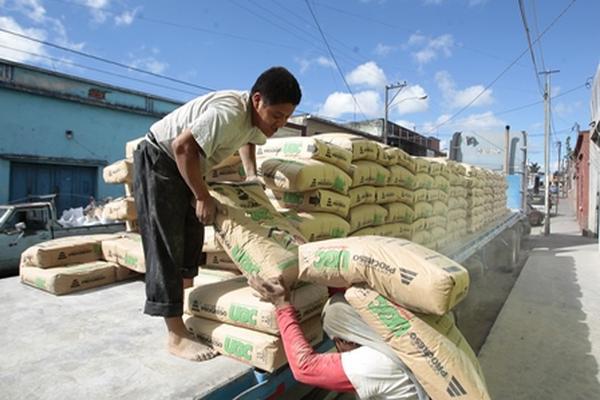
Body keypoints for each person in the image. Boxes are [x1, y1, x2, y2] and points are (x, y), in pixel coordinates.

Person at [133, 67, 302, 361]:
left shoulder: (254, 120)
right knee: (167, 246)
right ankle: (174, 336)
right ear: (257, 99)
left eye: (287, 118)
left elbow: (248, 138)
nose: (280, 123)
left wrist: (250, 173)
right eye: (277, 115)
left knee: (191, 242)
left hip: (189, 165)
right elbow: (182, 146)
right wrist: (202, 195)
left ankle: (183, 321)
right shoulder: (228, 112)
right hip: (161, 161)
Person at [249, 276, 429, 400]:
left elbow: (304, 367)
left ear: (346, 340)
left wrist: (282, 304)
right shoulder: (397, 336)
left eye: (336, 340)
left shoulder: (372, 363)